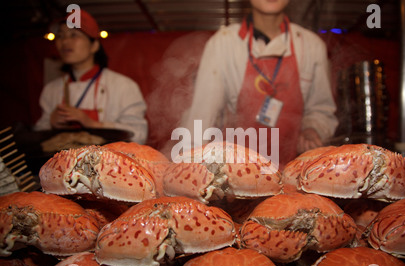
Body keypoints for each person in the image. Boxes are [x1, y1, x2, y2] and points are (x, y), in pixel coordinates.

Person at [172, 0, 338, 167]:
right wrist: (188, 165)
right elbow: (201, 119)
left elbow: (321, 110)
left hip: (293, 171)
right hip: (233, 172)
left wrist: (313, 129)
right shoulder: (223, 43)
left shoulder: (312, 46)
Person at [34, 9, 148, 144]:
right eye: (60, 36)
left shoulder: (123, 86)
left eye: (74, 35)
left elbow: (139, 135)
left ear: (94, 45)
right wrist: (51, 123)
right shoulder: (51, 89)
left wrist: (93, 124)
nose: (65, 42)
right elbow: (37, 137)